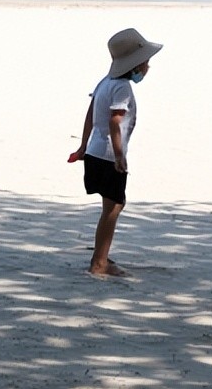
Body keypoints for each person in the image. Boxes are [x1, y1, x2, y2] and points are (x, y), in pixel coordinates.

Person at [68, 27, 163, 277]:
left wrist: (82, 146)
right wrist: (120, 156)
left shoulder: (105, 82)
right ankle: (99, 263)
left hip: (95, 152)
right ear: (135, 65)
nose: (148, 68)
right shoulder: (122, 88)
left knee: (111, 206)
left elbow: (90, 114)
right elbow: (114, 121)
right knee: (113, 207)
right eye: (146, 63)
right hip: (109, 155)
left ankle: (100, 256)